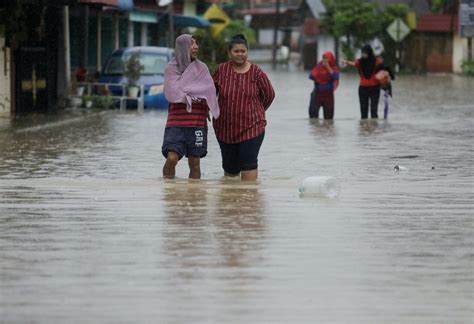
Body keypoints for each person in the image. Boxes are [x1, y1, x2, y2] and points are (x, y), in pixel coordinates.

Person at [212, 34, 275, 181]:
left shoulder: (257, 72)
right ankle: (231, 201)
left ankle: (249, 201)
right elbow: (210, 93)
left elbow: (269, 95)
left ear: (247, 52)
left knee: (248, 163)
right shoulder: (221, 71)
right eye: (236, 51)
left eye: (243, 51)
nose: (240, 54)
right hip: (225, 128)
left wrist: (257, 111)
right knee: (230, 170)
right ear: (229, 53)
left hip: (252, 127)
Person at [162, 34, 220, 179]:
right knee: (172, 158)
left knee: (195, 163)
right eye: (191, 44)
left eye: (196, 43)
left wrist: (194, 97)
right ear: (182, 47)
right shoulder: (171, 68)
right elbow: (173, 93)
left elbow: (209, 92)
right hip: (176, 123)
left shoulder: (202, 69)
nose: (196, 47)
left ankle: (195, 197)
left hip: (197, 122)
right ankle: (169, 192)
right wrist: (196, 96)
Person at [343, 45, 383, 119]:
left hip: (375, 89)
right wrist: (346, 62)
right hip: (363, 89)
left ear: (369, 53)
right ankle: (364, 128)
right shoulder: (360, 62)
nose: (363, 54)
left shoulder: (377, 61)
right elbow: (354, 63)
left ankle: (374, 127)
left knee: (374, 111)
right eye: (362, 53)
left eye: (365, 53)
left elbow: (382, 71)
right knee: (363, 113)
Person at [308, 51, 340, 119]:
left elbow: (336, 77)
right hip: (317, 94)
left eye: (326, 58)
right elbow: (311, 76)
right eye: (323, 58)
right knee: (313, 119)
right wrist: (319, 74)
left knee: (329, 120)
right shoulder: (319, 66)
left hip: (328, 96)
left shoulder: (334, 68)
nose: (324, 60)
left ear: (330, 59)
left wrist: (328, 67)